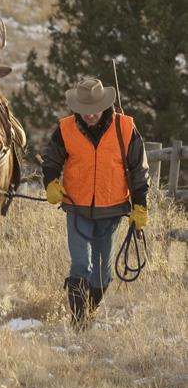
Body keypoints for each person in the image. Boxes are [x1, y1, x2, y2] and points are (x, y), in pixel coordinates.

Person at [42, 79, 149, 329]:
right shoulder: (65, 129)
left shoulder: (126, 127)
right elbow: (51, 161)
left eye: (95, 109)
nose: (89, 115)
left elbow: (139, 171)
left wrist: (140, 206)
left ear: (105, 104)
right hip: (77, 207)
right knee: (80, 264)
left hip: (112, 210)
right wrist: (50, 183)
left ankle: (89, 310)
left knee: (102, 273)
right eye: (84, 109)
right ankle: (78, 323)